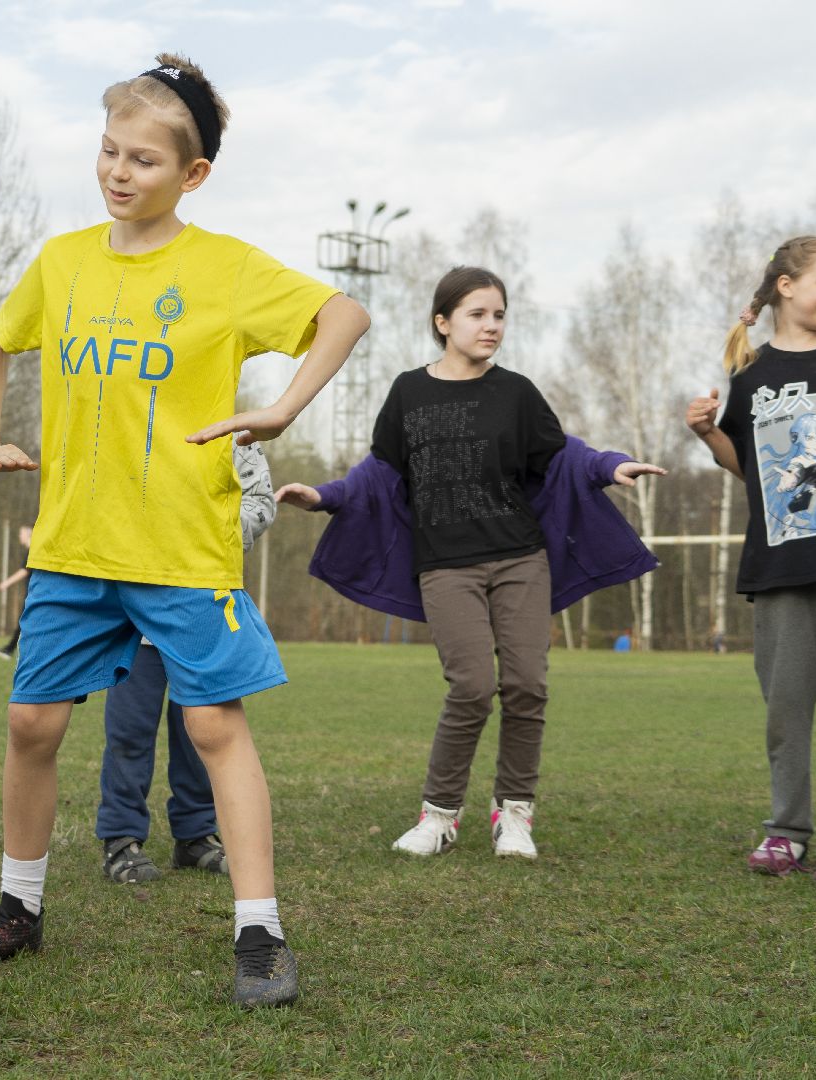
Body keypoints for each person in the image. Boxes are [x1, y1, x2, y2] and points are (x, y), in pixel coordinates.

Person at [0, 54, 371, 1009]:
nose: (119, 172)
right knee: (29, 722)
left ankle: (260, 932)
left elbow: (346, 313)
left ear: (193, 174)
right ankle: (18, 910)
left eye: (143, 160)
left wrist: (281, 409)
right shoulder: (64, 261)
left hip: (181, 551)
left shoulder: (225, 268)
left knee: (214, 725)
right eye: (108, 152)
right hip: (72, 547)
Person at [277, 266, 662, 861]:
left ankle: (514, 815)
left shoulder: (516, 392)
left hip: (521, 559)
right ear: (443, 322)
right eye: (478, 314)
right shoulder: (409, 391)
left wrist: (611, 464)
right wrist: (325, 495)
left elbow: (562, 457)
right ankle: (439, 816)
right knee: (473, 686)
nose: (491, 326)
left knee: (527, 685)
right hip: (446, 566)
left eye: (500, 315)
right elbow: (381, 472)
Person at [685, 235, 816, 888]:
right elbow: (748, 472)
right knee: (786, 710)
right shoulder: (751, 371)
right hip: (779, 568)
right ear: (786, 286)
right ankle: (786, 834)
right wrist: (707, 433)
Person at [97, 442, 273, 883]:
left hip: (203, 615)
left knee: (204, 731)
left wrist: (203, 526)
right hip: (134, 620)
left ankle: (195, 837)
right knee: (129, 733)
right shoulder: (133, 426)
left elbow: (260, 503)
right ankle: (121, 839)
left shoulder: (238, 440)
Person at [0, 524, 31, 659]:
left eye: (21, 533)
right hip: (33, 593)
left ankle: (9, 649)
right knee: (25, 621)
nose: (19, 536)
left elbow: (24, 571)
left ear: (29, 534)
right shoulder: (31, 551)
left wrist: (6, 583)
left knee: (24, 621)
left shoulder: (32, 551)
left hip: (34, 593)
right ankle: (10, 649)